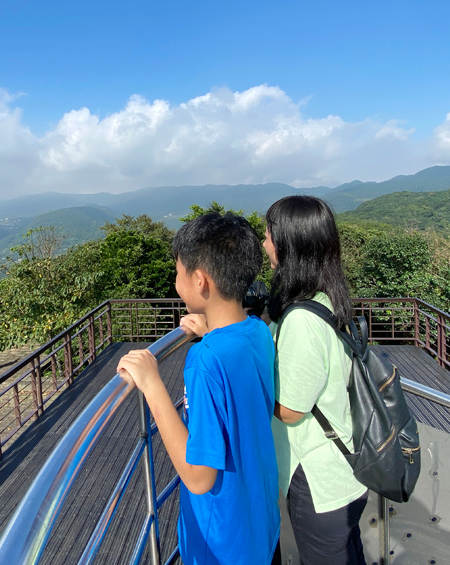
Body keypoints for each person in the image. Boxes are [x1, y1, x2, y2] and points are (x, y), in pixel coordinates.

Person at [117, 212, 281, 565]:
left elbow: (198, 478)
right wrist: (211, 330)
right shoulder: (257, 332)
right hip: (259, 523)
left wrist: (153, 384)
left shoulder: (206, 359)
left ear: (200, 281)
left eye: (178, 273)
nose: (176, 282)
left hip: (220, 540)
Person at [264, 195, 368, 565]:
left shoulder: (302, 321)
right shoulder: (324, 300)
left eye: (269, 236)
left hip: (319, 478)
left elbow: (291, 410)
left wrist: (248, 396)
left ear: (290, 245)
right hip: (341, 466)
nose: (265, 244)